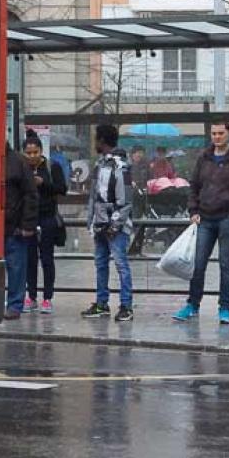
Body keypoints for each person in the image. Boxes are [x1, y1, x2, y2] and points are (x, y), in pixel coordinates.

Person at [172, 123, 229, 325]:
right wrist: (193, 210)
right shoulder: (204, 157)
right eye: (214, 133)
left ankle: (225, 308)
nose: (217, 137)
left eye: (221, 133)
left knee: (226, 265)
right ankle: (192, 304)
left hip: (228, 219)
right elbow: (194, 185)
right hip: (205, 218)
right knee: (198, 264)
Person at [82, 123, 134, 322]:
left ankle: (125, 305)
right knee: (102, 263)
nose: (95, 142)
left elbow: (125, 201)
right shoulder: (102, 164)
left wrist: (114, 225)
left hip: (112, 225)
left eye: (97, 138)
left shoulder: (120, 166)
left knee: (120, 264)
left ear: (102, 140)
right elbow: (96, 197)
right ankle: (103, 303)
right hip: (102, 223)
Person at [22, 131, 67, 314]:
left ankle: (47, 298)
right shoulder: (22, 168)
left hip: (47, 219)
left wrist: (43, 184)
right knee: (30, 259)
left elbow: (62, 188)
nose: (32, 156)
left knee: (47, 259)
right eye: (29, 152)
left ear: (41, 151)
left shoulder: (51, 167)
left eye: (35, 152)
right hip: (29, 220)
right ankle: (31, 296)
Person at [2, 142, 38, 320]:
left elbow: (31, 195)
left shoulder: (18, 161)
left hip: (14, 226)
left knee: (16, 267)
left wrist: (27, 225)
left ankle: (15, 305)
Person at [129, 145, 151, 218]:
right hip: (132, 194)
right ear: (133, 154)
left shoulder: (146, 166)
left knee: (146, 214)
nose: (140, 155)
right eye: (138, 153)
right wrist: (130, 182)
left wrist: (148, 187)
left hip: (144, 193)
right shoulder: (128, 166)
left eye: (142, 153)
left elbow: (150, 178)